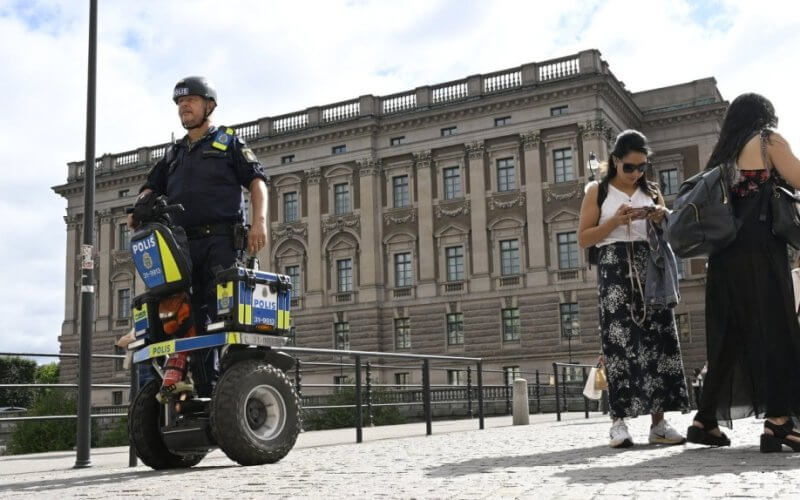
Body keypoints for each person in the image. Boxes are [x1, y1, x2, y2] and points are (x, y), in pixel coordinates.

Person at [128, 76, 268, 397]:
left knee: (218, 316)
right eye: (179, 102)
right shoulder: (174, 154)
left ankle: (221, 386)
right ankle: (191, 384)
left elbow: (257, 182)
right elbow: (151, 186)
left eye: (190, 100)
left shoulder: (228, 143)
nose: (183, 106)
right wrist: (140, 205)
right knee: (182, 315)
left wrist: (259, 222)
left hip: (221, 243)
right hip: (181, 246)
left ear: (209, 105)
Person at [686, 93, 800, 452]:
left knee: (728, 339)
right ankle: (779, 422)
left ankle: (705, 421)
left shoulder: (722, 154)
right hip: (760, 250)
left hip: (723, 257)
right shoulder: (767, 141)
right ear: (764, 115)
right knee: (776, 329)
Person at [578, 129, 690, 448]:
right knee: (619, 344)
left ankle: (659, 423)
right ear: (615, 161)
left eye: (642, 166)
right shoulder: (596, 192)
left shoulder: (652, 190)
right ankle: (619, 422)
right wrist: (614, 222)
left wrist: (660, 217)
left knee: (660, 341)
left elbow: (668, 233)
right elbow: (584, 238)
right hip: (614, 268)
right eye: (630, 166)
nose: (636, 173)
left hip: (651, 267)